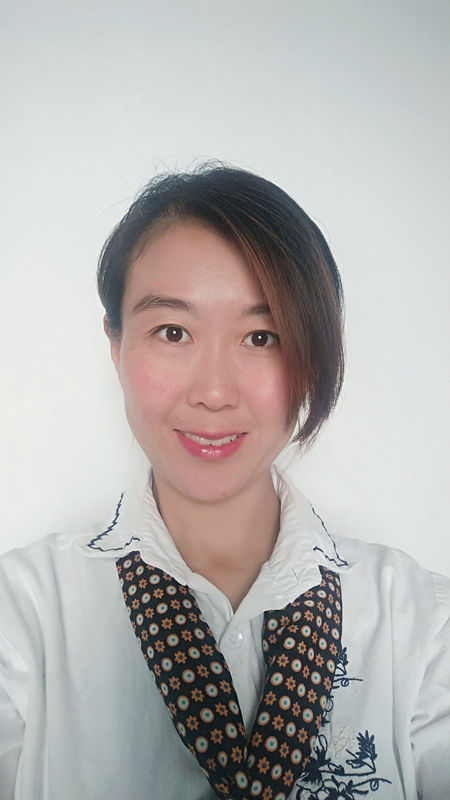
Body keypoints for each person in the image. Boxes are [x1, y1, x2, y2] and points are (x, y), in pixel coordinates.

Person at [0, 165, 448, 800]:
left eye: (261, 337)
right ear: (115, 344)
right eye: (173, 332)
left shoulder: (420, 626)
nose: (213, 392)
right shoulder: (21, 618)